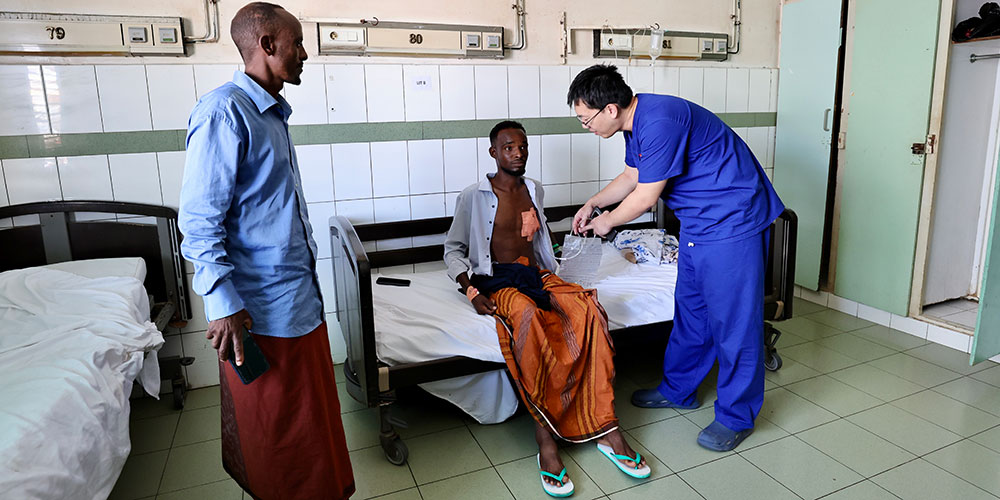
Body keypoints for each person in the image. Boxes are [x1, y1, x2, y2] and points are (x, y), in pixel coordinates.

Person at [178, 3, 354, 498]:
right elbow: (199, 221)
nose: (305, 54)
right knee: (279, 434)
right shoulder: (224, 111)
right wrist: (222, 303)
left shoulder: (271, 113)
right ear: (268, 44)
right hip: (257, 314)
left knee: (310, 426)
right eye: (297, 43)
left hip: (297, 302)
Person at [568, 64, 785, 452]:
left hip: (732, 221)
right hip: (700, 224)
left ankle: (736, 416)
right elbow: (632, 176)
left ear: (610, 109)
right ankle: (679, 389)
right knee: (692, 312)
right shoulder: (635, 124)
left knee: (735, 323)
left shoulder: (660, 120)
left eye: (586, 119)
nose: (586, 127)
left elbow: (645, 196)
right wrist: (593, 203)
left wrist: (607, 222)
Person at [444, 120, 650, 497]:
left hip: (535, 273)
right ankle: (546, 440)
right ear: (493, 152)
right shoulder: (473, 196)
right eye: (508, 147)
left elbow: (537, 238)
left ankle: (607, 429)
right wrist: (471, 291)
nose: (517, 153)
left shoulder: (535, 189)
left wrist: (566, 249)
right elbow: (453, 250)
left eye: (522, 146)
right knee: (528, 318)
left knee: (588, 309)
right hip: (496, 279)